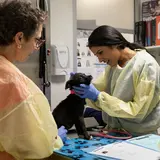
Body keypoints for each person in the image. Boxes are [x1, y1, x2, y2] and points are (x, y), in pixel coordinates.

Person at [0, 0, 67, 159]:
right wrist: (54, 139)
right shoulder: (11, 81)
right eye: (37, 40)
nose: (36, 47)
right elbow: (34, 148)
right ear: (19, 38)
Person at [73, 25, 160, 137]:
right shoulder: (113, 66)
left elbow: (138, 112)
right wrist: (84, 90)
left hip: (140, 136)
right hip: (115, 133)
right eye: (96, 55)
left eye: (100, 52)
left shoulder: (146, 65)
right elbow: (99, 93)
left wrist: (98, 97)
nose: (100, 59)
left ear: (115, 45)